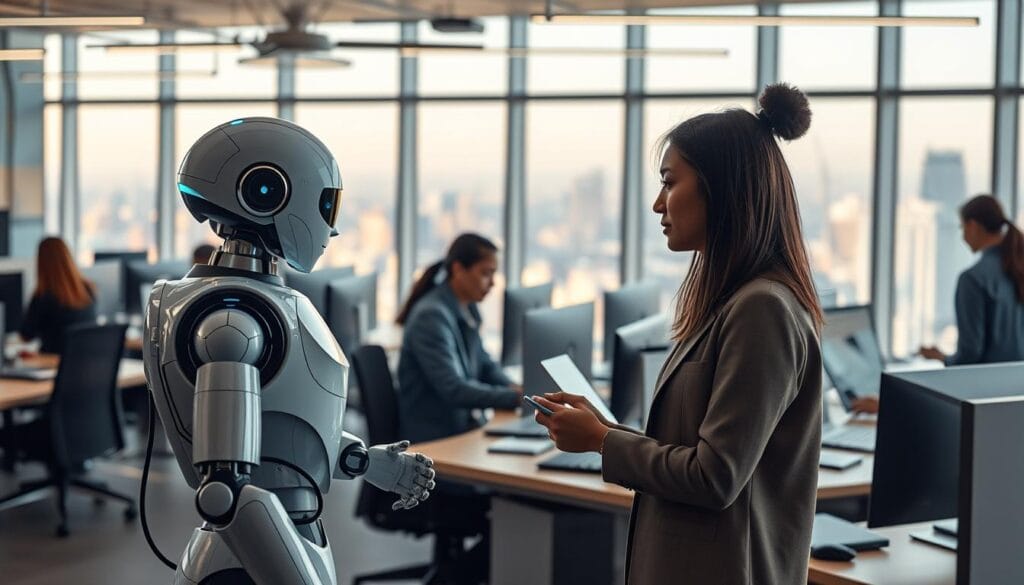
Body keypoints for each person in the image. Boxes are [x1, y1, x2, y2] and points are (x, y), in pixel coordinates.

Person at [533, 84, 823, 585]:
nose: (657, 204)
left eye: (670, 182)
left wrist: (602, 441)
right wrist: (605, 431)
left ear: (721, 189)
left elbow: (714, 477)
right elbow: (695, 453)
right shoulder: (732, 302)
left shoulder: (763, 310)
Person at [396, 233, 522, 443]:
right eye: (486, 273)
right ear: (458, 269)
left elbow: (485, 365)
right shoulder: (431, 316)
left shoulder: (467, 308)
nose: (492, 283)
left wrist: (514, 387)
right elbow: (454, 389)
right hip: (436, 438)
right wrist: (516, 398)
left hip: (461, 428)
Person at [19, 237, 98, 355]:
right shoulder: (89, 290)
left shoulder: (44, 297)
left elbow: (26, 336)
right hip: (83, 360)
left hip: (53, 361)